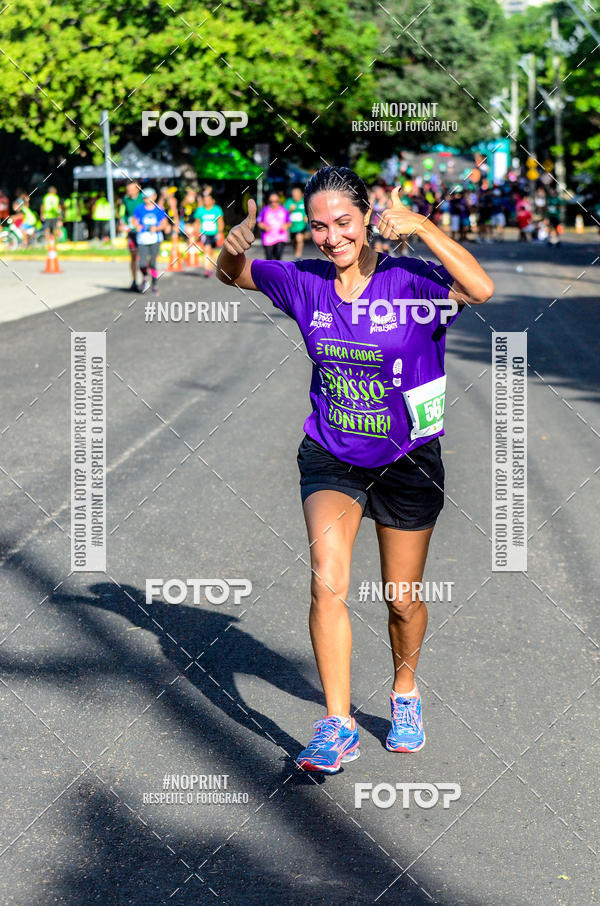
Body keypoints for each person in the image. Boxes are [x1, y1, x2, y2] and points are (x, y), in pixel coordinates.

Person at [216, 165, 494, 773]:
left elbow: (479, 288)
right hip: (332, 454)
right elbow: (236, 275)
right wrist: (228, 248)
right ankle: (337, 725)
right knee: (328, 579)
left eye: (343, 222)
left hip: (408, 459)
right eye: (318, 226)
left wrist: (421, 225)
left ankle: (405, 693)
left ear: (367, 219)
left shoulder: (411, 279)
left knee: (401, 600)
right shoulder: (304, 283)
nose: (331, 237)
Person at [131, 187, 168, 294]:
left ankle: (155, 284)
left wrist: (156, 228)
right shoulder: (139, 208)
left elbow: (164, 224)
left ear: (154, 197)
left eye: (149, 197)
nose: (147, 200)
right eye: (145, 198)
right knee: (142, 263)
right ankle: (145, 277)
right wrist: (136, 225)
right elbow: (134, 221)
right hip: (142, 239)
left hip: (155, 239)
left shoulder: (159, 209)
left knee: (152, 263)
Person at [119, 182, 143, 291]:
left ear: (138, 189)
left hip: (143, 232)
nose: (130, 192)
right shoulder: (125, 200)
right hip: (131, 232)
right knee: (133, 256)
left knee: (143, 257)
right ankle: (134, 280)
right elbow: (123, 214)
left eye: (132, 190)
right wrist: (123, 223)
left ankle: (145, 279)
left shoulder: (143, 199)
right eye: (128, 190)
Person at [194, 193, 225, 277]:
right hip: (204, 233)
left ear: (212, 201)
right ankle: (207, 269)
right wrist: (196, 233)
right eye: (205, 200)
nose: (206, 201)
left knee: (212, 251)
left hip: (214, 233)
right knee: (207, 250)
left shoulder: (217, 210)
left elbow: (220, 222)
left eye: (208, 200)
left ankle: (210, 268)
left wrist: (220, 232)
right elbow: (197, 222)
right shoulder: (200, 210)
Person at [257, 191, 290, 260]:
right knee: (269, 258)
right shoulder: (265, 210)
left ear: (279, 200)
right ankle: (269, 270)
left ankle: (277, 270)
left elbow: (289, 222)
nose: (274, 203)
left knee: (278, 256)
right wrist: (265, 227)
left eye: (276, 201)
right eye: (271, 201)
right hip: (268, 238)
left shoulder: (284, 210)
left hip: (280, 236)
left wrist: (286, 226)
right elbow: (259, 222)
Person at [284, 185, 308, 258]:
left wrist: (307, 216)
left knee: (299, 238)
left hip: (301, 225)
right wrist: (290, 210)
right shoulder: (289, 202)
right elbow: (283, 213)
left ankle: (298, 255)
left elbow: (309, 211)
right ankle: (296, 251)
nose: (295, 197)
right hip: (292, 226)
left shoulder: (304, 202)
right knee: (293, 241)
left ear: (301, 194)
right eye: (294, 195)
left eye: (297, 195)